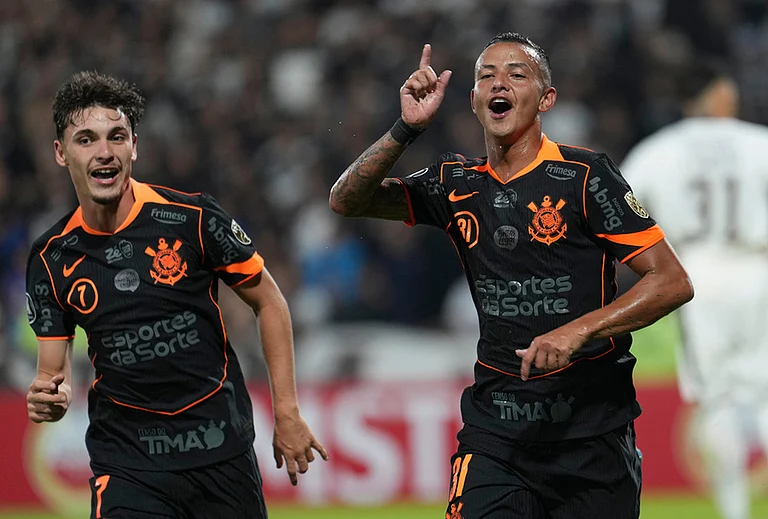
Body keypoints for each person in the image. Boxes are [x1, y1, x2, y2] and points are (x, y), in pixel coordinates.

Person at [329, 32, 693, 519]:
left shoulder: (586, 176)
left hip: (592, 432)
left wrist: (576, 330)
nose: (499, 82)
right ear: (476, 101)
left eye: (516, 74)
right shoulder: (454, 183)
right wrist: (405, 130)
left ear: (546, 99)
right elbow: (346, 200)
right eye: (486, 76)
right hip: (497, 433)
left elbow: (671, 281)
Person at [25, 71, 327, 519]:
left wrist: (286, 410)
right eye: (85, 139)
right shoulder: (52, 257)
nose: (104, 152)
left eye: (117, 136)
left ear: (135, 147)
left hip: (219, 452)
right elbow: (54, 373)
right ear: (61, 153)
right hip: (127, 463)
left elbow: (270, 301)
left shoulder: (193, 218)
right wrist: (51, 398)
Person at [621, 61, 768, 519]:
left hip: (695, 274)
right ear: (720, 94)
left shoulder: (658, 150)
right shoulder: (758, 143)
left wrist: (650, 264)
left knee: (717, 398)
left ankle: (735, 512)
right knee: (764, 395)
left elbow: (616, 212)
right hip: (757, 270)